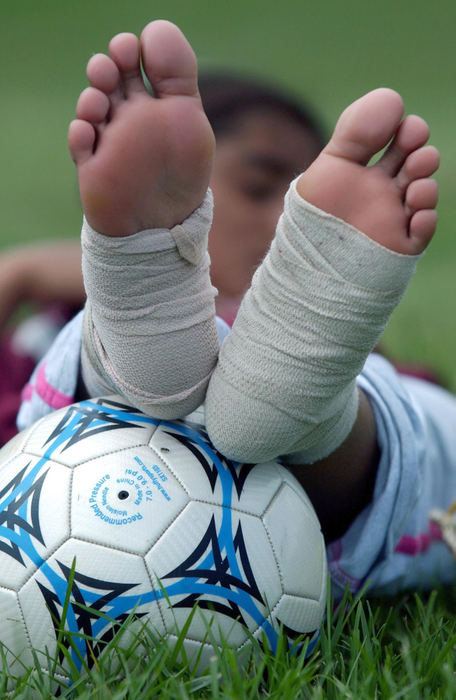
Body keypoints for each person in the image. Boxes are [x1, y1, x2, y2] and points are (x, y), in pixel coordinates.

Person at [18, 20, 454, 602]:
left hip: (336, 412)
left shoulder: (344, 340)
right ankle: (156, 349)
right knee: (432, 430)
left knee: (387, 404)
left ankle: (303, 407)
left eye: (304, 207)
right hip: (114, 432)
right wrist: (23, 273)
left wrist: (21, 271)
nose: (281, 223)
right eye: (257, 187)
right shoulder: (56, 312)